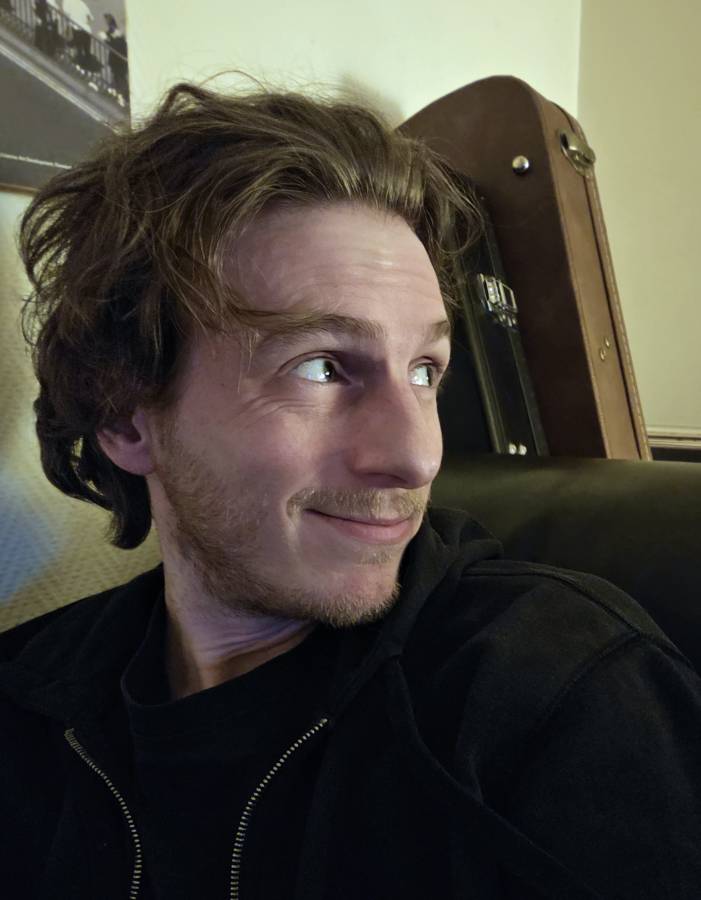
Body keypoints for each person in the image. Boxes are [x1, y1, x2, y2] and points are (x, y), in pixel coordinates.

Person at [3, 80, 700, 900]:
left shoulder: (557, 691)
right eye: (323, 366)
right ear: (126, 417)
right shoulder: (26, 707)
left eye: (424, 370)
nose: (418, 457)